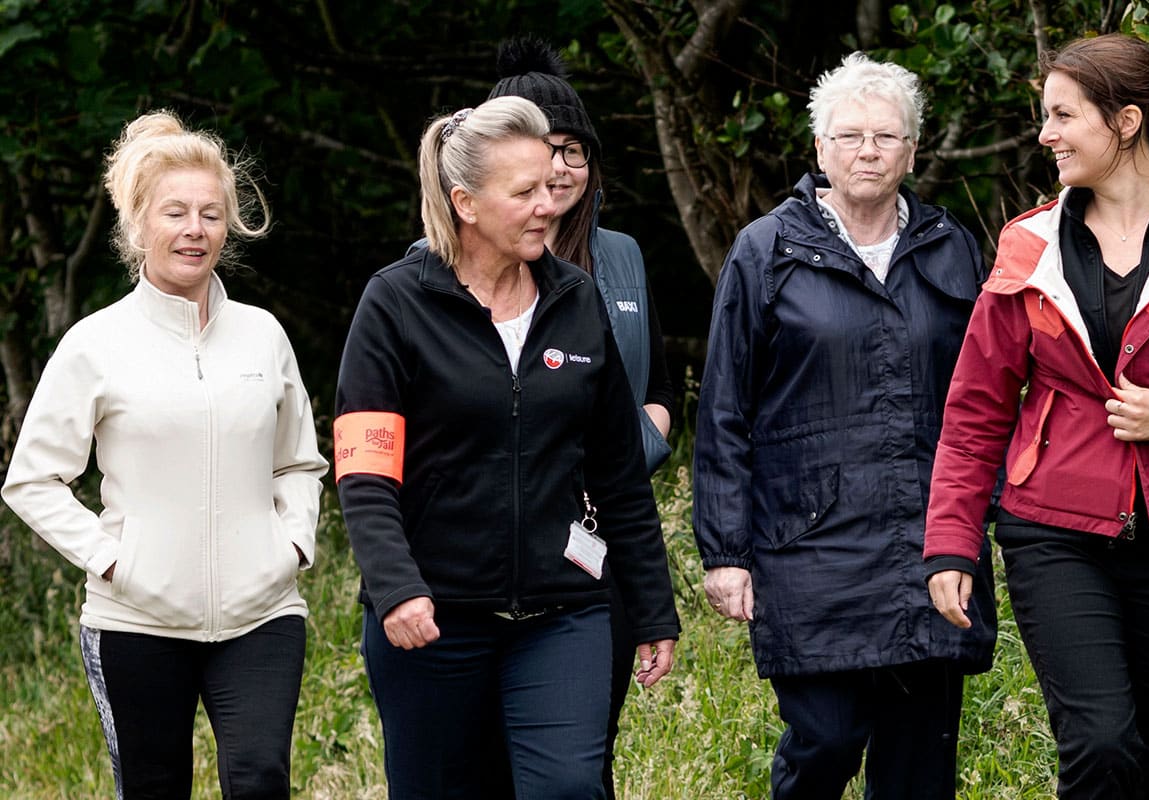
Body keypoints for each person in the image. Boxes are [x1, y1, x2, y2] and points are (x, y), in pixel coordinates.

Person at [333, 94, 679, 800]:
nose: (548, 206)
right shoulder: (395, 304)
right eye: (524, 193)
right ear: (465, 202)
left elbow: (617, 472)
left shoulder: (576, 299)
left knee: (569, 788)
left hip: (564, 613)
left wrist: (651, 609)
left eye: (551, 187)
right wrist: (397, 589)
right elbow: (365, 474)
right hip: (432, 622)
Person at [692, 53, 996, 800]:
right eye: (850, 135)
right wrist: (725, 551)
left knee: (921, 765)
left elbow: (989, 395)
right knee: (824, 742)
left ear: (913, 150)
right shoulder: (767, 251)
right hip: (809, 546)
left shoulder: (950, 245)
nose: (868, 150)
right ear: (820, 148)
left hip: (931, 544)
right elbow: (724, 410)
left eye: (886, 136)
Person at [1, 110, 328, 799]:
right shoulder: (96, 343)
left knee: (262, 779)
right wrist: (115, 559)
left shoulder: (263, 337)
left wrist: (292, 543)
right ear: (137, 225)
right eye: (175, 212)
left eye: (211, 214)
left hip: (261, 612)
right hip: (136, 621)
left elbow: (298, 462)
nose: (195, 230)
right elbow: (33, 480)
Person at [925, 33, 1149, 799]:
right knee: (1101, 741)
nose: (1044, 135)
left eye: (1061, 116)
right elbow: (976, 408)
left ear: (1126, 121)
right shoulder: (1028, 246)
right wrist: (951, 542)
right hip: (1056, 531)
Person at [483, 36, 673, 800]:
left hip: (603, 543)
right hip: (491, 545)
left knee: (583, 756)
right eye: (542, 149)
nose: (559, 168)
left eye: (574, 150)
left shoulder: (621, 255)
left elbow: (659, 390)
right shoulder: (439, 269)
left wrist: (625, 453)